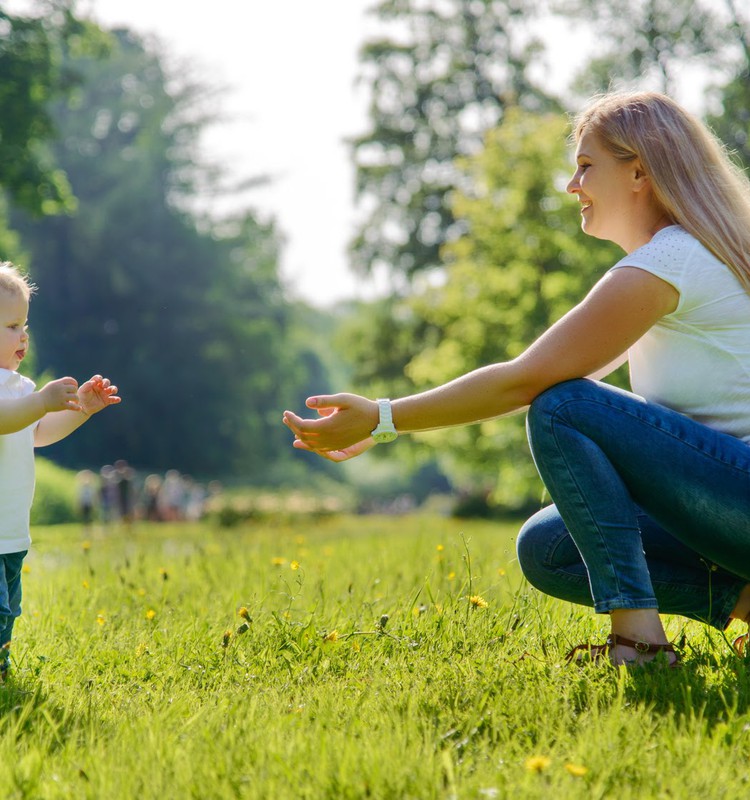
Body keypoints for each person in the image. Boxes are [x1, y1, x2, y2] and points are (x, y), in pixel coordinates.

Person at [283, 91, 750, 668]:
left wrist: (383, 417)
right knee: (549, 546)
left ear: (639, 172)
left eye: (585, 166)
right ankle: (742, 603)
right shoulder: (692, 256)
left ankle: (640, 646)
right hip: (727, 503)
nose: (571, 185)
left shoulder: (670, 261)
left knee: (563, 407)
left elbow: (523, 381)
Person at [0, 263, 120, 680]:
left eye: (25, 324)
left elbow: (38, 432)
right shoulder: (15, 395)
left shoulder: (21, 387)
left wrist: (81, 408)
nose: (24, 335)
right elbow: (3, 419)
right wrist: (40, 403)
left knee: (9, 608)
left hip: (12, 530)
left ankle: (2, 668)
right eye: (12, 325)